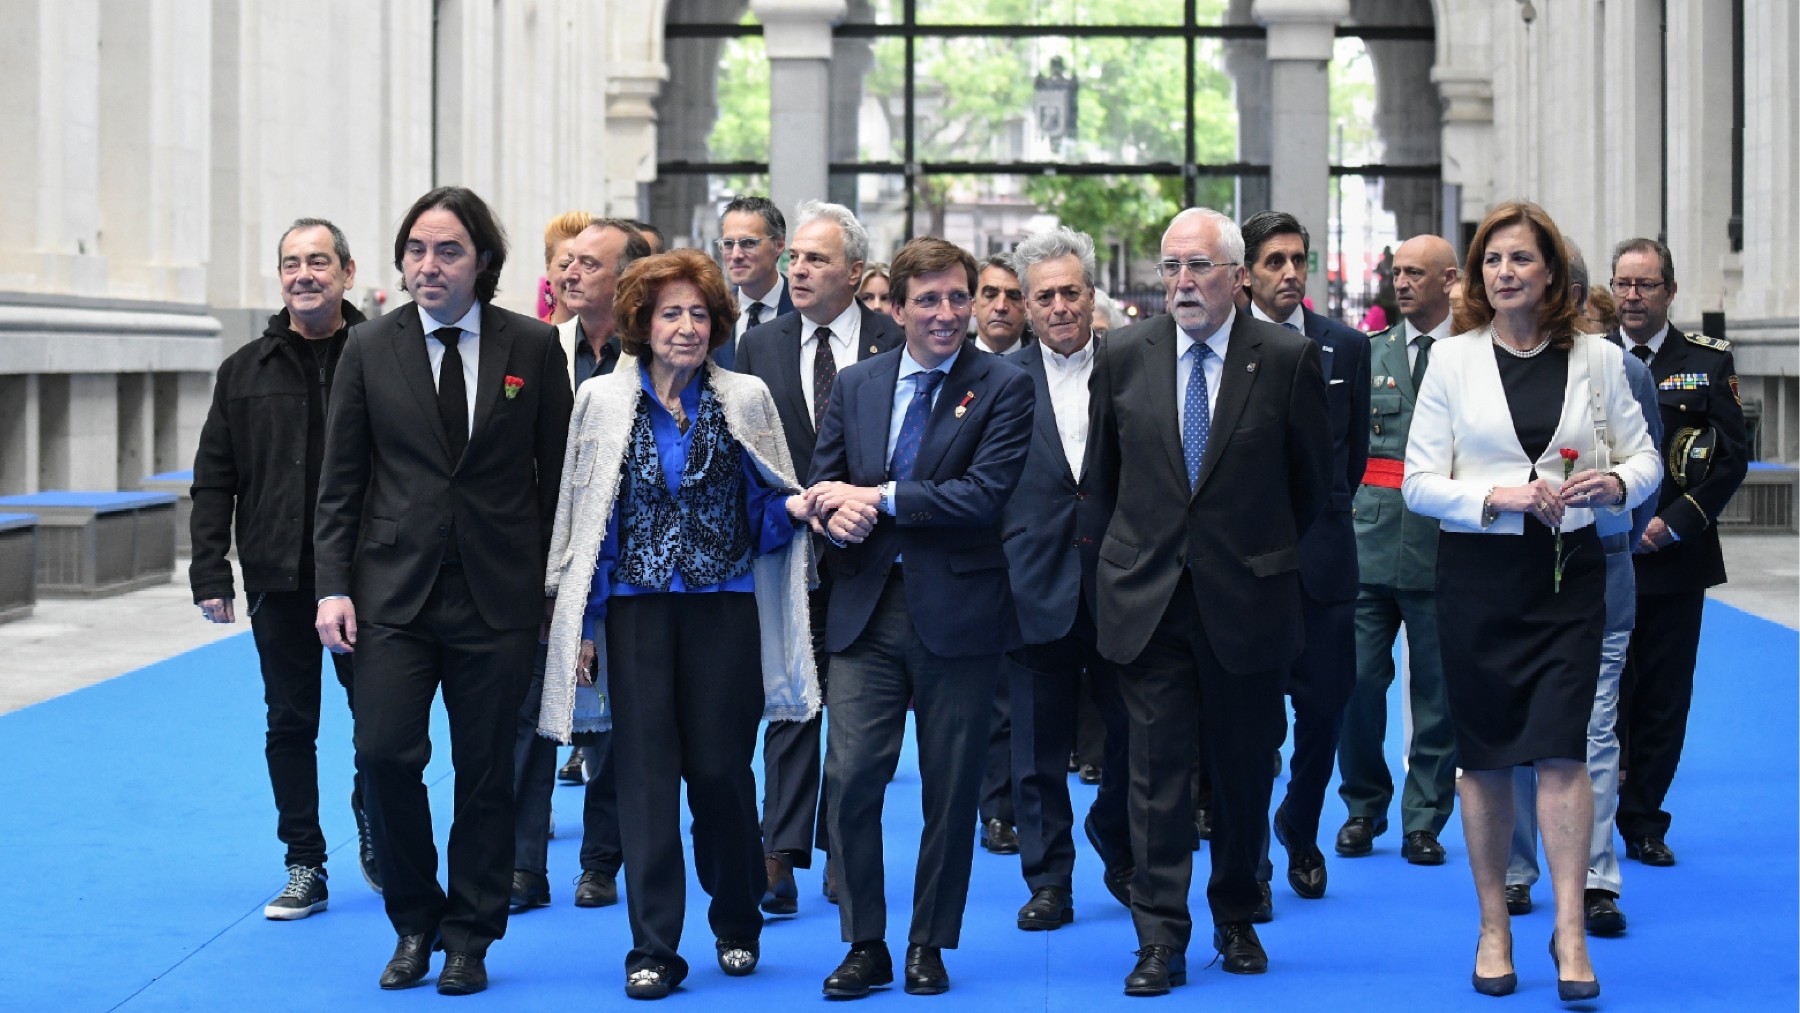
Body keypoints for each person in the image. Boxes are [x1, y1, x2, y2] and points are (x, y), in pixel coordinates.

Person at [536, 248, 819, 1000]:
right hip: (635, 611)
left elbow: (763, 503)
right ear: (641, 322)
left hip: (723, 607)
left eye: (699, 313)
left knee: (722, 773)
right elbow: (589, 518)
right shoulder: (601, 399)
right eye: (671, 313)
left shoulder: (746, 397)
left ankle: (735, 919)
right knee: (645, 779)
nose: (687, 327)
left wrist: (794, 507)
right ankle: (653, 944)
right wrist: (585, 623)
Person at [314, 186, 574, 996]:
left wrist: (558, 592)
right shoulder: (369, 349)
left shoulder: (531, 347)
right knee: (383, 754)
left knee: (487, 771)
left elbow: (562, 478)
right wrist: (332, 587)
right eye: (417, 250)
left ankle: (470, 933)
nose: (429, 266)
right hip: (392, 593)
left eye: (448, 250)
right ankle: (415, 918)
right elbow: (341, 480)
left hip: (499, 596)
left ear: (483, 261)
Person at [1402, 201, 1659, 1000]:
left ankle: (1571, 929)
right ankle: (1492, 924)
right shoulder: (1450, 360)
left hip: (1570, 574)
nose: (1504, 273)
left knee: (1563, 748)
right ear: (1477, 276)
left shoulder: (1598, 358)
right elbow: (1417, 482)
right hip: (1478, 579)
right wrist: (1498, 497)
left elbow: (1644, 455)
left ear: (1551, 271)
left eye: (1520, 259)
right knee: (1482, 757)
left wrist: (1618, 483)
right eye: (1491, 261)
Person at [1092, 207, 1331, 995]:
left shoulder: (1288, 358)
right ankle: (1159, 935)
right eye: (1171, 268)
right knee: (1155, 778)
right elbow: (1103, 482)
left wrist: (1253, 552)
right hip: (1150, 600)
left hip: (1248, 600)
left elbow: (1310, 487)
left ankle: (1234, 913)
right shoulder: (1123, 354)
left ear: (1235, 275)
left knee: (1240, 773)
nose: (1183, 283)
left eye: (1198, 267)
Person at [806, 237, 1034, 998]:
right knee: (852, 776)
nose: (947, 314)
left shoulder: (1003, 385)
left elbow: (984, 493)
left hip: (960, 612)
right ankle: (864, 940)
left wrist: (885, 497)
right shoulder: (859, 382)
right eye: (928, 300)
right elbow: (823, 478)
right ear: (894, 307)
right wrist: (830, 515)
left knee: (951, 788)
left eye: (958, 298)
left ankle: (929, 942)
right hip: (865, 610)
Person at [190, 217, 375, 920]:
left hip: (368, 578)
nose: (305, 274)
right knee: (290, 723)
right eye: (292, 263)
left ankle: (376, 822)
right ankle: (305, 863)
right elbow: (215, 478)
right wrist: (211, 569)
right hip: (278, 576)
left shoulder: (382, 356)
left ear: (347, 273)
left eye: (319, 261)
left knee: (379, 723)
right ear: (280, 277)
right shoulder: (243, 371)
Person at [734, 200, 904, 916]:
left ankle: (842, 847)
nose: (797, 269)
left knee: (858, 716)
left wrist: (862, 504)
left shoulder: (896, 341)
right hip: (789, 552)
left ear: (856, 271)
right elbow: (750, 453)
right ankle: (779, 850)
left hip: (871, 555)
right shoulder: (760, 345)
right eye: (795, 257)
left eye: (817, 260)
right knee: (791, 700)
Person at [1506, 247, 1664, 934]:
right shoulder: (1487, 369)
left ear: (1568, 292)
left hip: (1599, 570)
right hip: (1510, 575)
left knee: (1595, 731)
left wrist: (1615, 510)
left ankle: (1597, 879)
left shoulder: (1622, 370)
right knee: (1513, 726)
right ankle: (1517, 866)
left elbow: (1648, 465)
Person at [511, 214, 650, 914]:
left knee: (618, 724)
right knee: (530, 714)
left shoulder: (652, 354)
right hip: (542, 562)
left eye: (588, 264)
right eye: (565, 263)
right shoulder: (537, 347)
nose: (569, 273)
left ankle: (601, 860)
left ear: (626, 277)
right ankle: (522, 865)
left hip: (628, 567)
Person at [995, 227, 1130, 932]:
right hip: (1033, 585)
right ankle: (1049, 879)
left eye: (1070, 292)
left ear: (1090, 292)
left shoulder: (1132, 367)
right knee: (1038, 749)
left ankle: (1115, 836)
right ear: (1025, 304)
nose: (1059, 306)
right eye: (1043, 295)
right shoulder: (996, 380)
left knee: (1132, 737)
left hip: (1123, 586)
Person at [1238, 210, 1372, 912]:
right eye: (1275, 261)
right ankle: (1254, 856)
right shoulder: (1225, 344)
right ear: (1247, 271)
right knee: (1256, 723)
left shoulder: (1345, 347)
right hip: (1249, 568)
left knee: (1325, 711)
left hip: (1324, 564)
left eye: (1299, 259)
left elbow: (1341, 465)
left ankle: (1301, 820)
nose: (1291, 273)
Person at [1610, 237, 1749, 868]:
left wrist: (1673, 524)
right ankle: (1590, 813)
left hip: (1672, 559)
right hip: (1600, 556)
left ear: (1670, 291)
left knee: (1663, 695)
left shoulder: (1707, 361)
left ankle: (1643, 821)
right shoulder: (1587, 358)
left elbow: (1730, 458)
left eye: (1645, 285)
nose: (1632, 296)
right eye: (1623, 284)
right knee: (1602, 692)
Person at [1335, 235, 1462, 867]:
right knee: (1355, 680)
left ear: (1450, 281)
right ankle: (1363, 805)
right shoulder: (1369, 353)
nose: (1402, 283)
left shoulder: (1474, 358)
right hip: (1370, 541)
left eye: (1416, 273)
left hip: (1445, 546)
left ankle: (1425, 818)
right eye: (1397, 273)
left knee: (1437, 691)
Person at [714, 196, 793, 368]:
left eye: (749, 243)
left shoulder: (805, 308)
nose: (736, 255)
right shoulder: (714, 313)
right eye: (728, 244)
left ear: (778, 246)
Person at [971, 254, 1030, 356]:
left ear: (1028, 307)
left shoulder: (1045, 367)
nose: (1001, 307)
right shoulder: (949, 363)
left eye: (1013, 296)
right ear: (973, 305)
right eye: (990, 295)